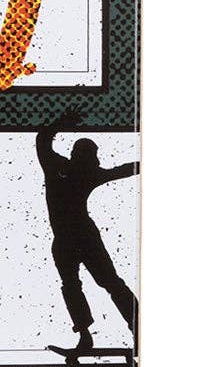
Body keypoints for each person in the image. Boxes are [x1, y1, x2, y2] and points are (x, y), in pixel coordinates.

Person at [36, 111, 138, 353]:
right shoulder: (78, 170)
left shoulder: (60, 166)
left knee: (88, 284)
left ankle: (102, 333)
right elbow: (122, 170)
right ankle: (89, 335)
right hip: (76, 239)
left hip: (73, 239)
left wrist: (61, 123)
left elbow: (42, 140)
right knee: (93, 284)